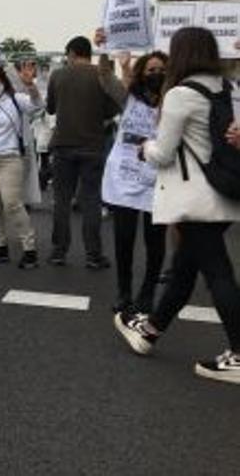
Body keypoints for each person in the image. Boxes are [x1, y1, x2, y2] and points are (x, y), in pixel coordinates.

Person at [115, 27, 240, 385]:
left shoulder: (181, 94)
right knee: (185, 270)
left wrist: (144, 148)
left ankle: (238, 353)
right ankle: (149, 331)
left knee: (219, 274)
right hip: (224, 191)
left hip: (193, 197)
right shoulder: (228, 88)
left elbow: (163, 152)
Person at [96, 40, 168, 313]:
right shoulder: (129, 98)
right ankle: (124, 292)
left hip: (158, 179)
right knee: (123, 240)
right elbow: (104, 76)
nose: (156, 74)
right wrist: (103, 49)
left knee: (155, 241)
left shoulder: (176, 101)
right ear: (141, 74)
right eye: (150, 70)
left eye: (161, 70)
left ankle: (148, 292)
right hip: (125, 180)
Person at [46, 36, 124, 268]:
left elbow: (50, 108)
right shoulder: (101, 74)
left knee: (61, 200)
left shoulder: (58, 75)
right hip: (93, 145)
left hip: (62, 144)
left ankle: (59, 252)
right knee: (91, 201)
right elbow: (114, 107)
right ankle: (93, 255)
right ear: (88, 53)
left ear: (71, 53)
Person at [0, 63, 44, 268]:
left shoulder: (16, 99)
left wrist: (30, 85)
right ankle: (1, 246)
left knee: (12, 203)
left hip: (10, 158)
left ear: (4, 82)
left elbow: (38, 105)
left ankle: (29, 248)